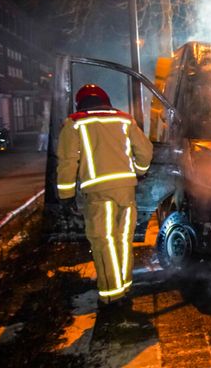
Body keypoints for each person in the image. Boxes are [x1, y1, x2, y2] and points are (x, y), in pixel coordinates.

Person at [56, 84, 153, 309]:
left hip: (98, 194)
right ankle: (124, 287)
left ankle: (112, 297)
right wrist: (138, 171)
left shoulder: (74, 123)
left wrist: (66, 195)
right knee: (122, 240)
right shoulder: (125, 120)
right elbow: (146, 152)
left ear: (80, 103)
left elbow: (67, 162)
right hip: (127, 190)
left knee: (104, 242)